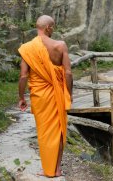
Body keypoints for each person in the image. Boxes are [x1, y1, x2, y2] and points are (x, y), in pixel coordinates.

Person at [17, 15, 73, 177]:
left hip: (39, 96)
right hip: (58, 93)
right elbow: (68, 73)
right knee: (59, 130)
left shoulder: (27, 48)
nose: (53, 30)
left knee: (44, 132)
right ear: (48, 27)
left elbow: (23, 76)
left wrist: (21, 97)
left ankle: (47, 169)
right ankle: (56, 169)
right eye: (53, 27)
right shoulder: (60, 45)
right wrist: (68, 93)